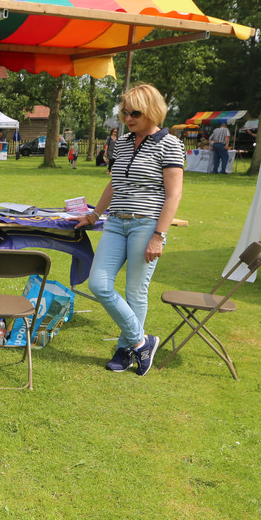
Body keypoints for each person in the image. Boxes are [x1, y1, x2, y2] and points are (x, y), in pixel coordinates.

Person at [75, 84, 183, 376]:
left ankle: (125, 351)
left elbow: (173, 195)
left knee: (136, 291)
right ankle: (141, 342)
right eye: (125, 113)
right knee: (98, 284)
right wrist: (94, 215)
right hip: (115, 222)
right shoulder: (122, 143)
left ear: (152, 111)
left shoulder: (170, 144)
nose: (128, 118)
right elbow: (115, 183)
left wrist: (158, 236)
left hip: (146, 224)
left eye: (135, 113)